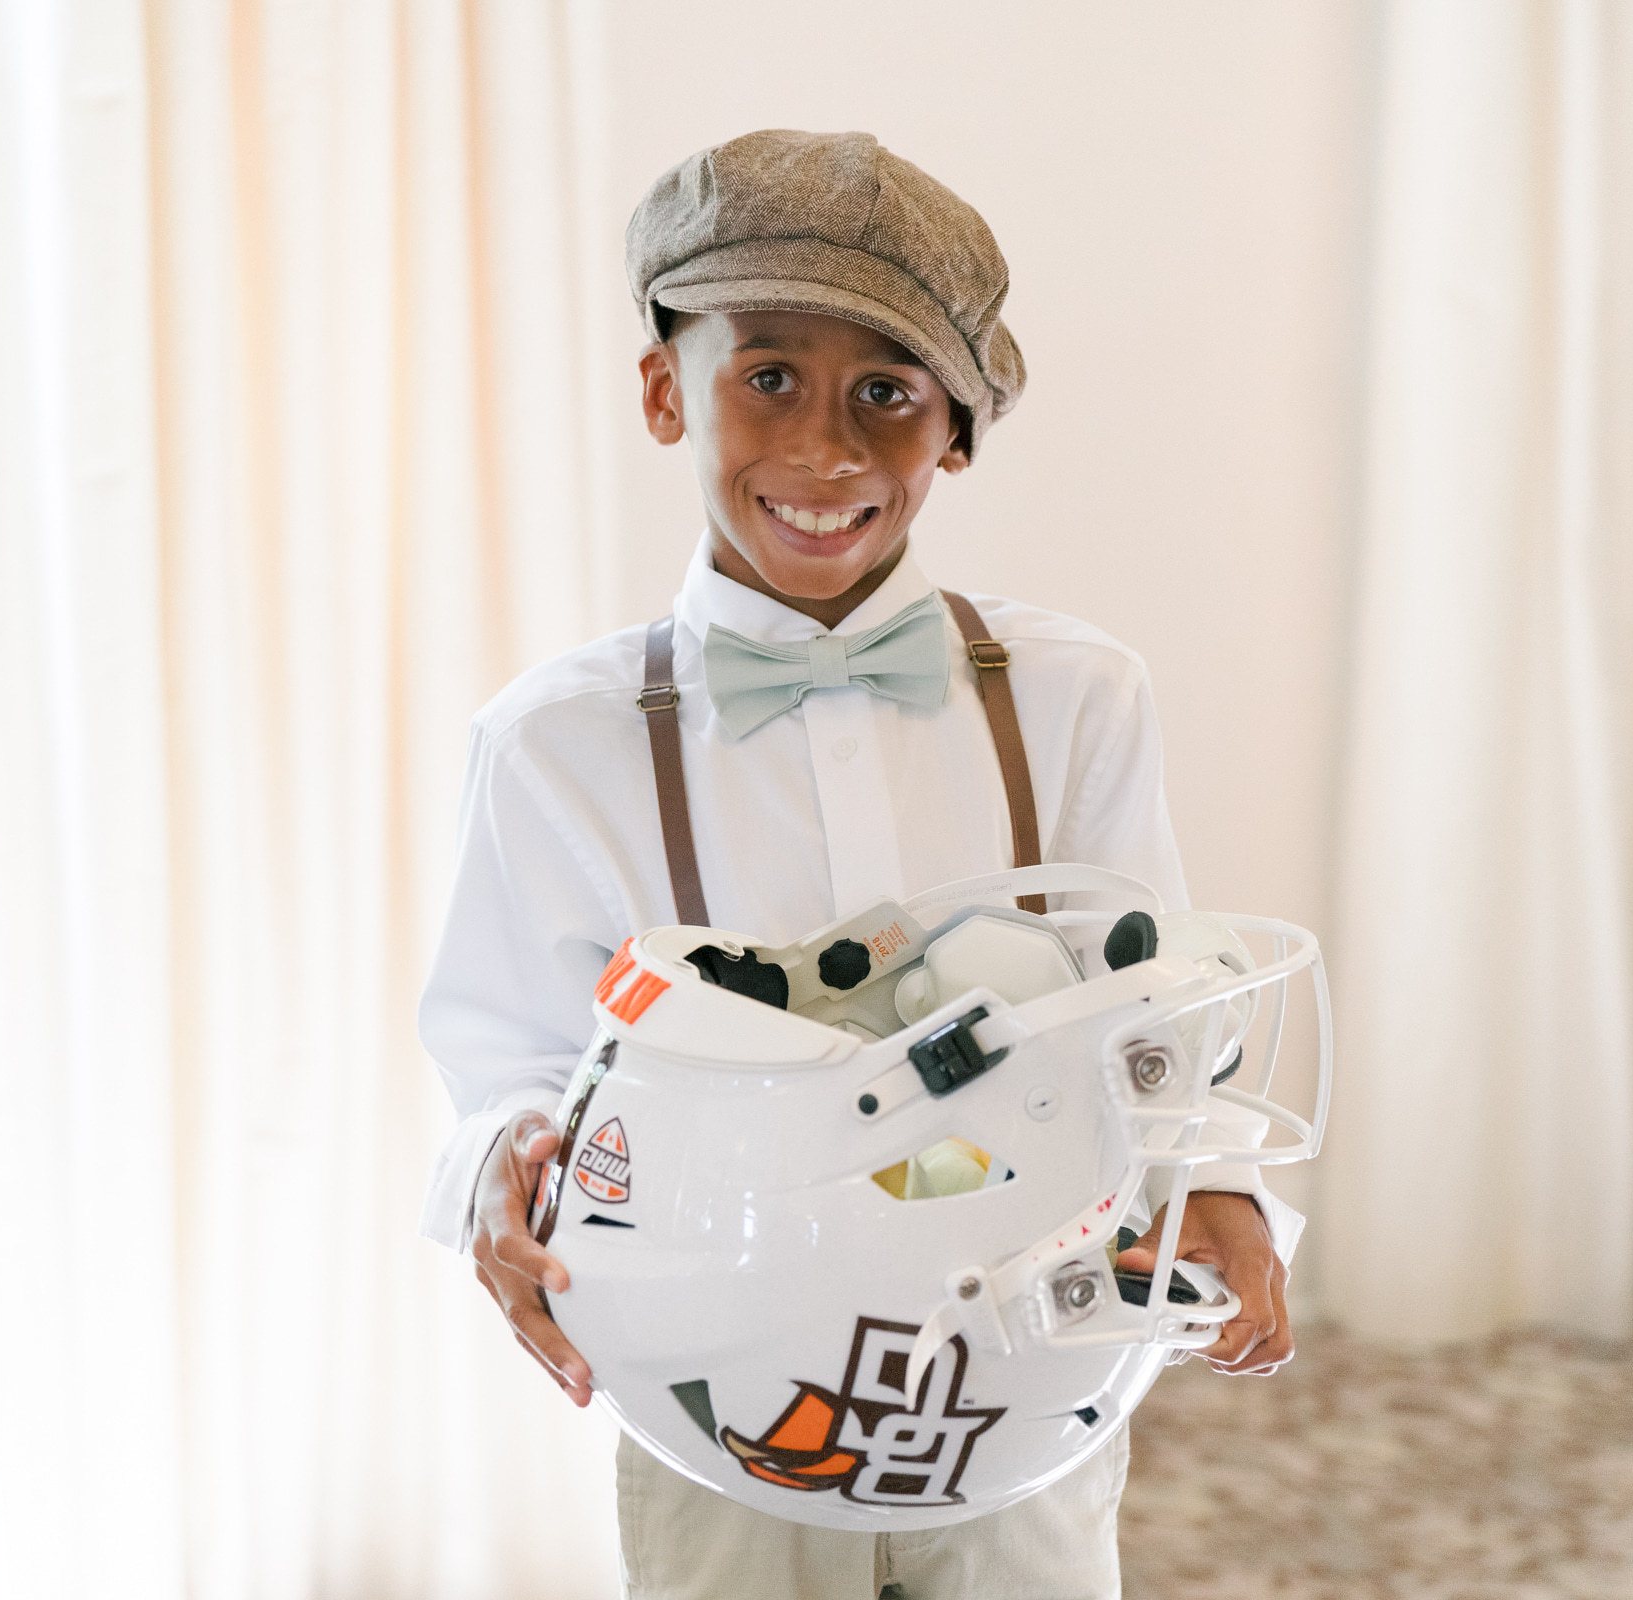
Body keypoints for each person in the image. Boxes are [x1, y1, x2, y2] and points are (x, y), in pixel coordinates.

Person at [416, 127, 1303, 1600]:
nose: (826, 450)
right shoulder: (551, 745)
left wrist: (1218, 1187)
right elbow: (504, 1055)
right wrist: (506, 1167)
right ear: (662, 388)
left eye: (887, 394)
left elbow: (1159, 1017)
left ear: (956, 428)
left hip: (1033, 1376)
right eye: (768, 375)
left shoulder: (1078, 697)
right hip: (722, 1401)